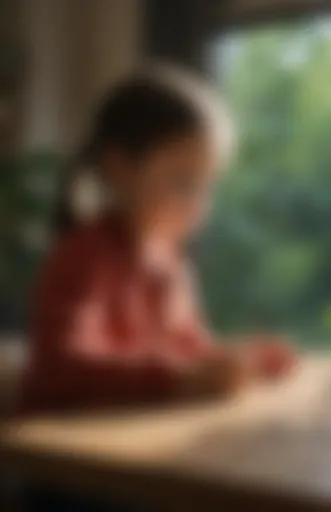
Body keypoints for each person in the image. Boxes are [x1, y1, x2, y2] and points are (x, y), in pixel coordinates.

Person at [19, 65, 296, 417]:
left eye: (207, 187)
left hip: (131, 445)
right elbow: (58, 371)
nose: (199, 205)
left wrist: (238, 359)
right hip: (66, 463)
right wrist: (178, 379)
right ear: (118, 168)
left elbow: (189, 351)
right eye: (183, 184)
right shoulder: (83, 256)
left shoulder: (170, 263)